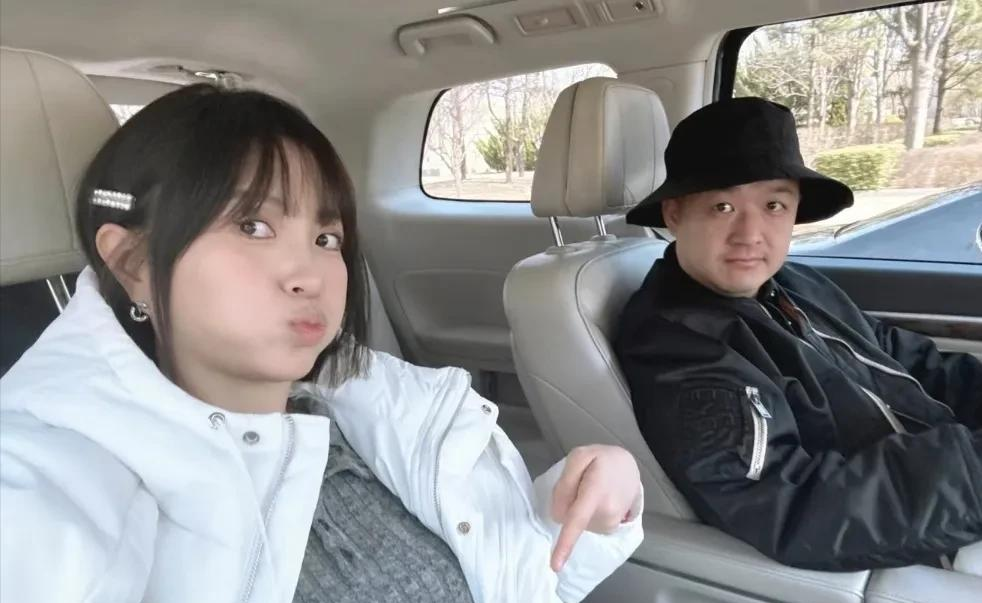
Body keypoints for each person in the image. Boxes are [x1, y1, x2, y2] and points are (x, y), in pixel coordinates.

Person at [0, 83, 644, 603]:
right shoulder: (62, 472)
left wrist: (593, 504)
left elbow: (517, 578)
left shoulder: (382, 410)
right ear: (134, 263)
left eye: (325, 238)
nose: (309, 274)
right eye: (253, 226)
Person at [614, 96, 981, 573]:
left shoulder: (796, 286)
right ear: (675, 214)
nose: (751, 234)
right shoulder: (680, 348)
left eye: (774, 205)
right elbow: (792, 505)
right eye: (723, 206)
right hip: (917, 550)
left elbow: (905, 361)